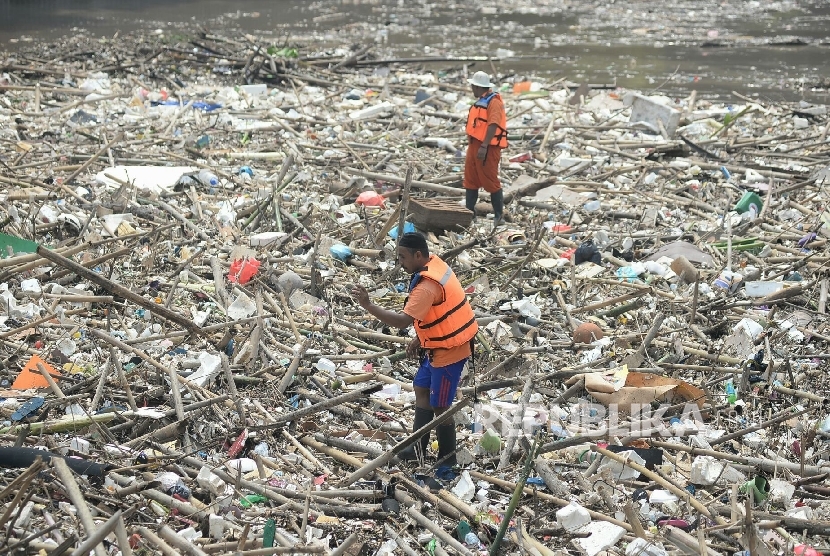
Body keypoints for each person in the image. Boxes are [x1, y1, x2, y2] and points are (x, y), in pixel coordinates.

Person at [351, 233, 478, 466]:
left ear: (418, 255)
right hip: (437, 344)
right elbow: (438, 314)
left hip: (450, 350)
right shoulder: (434, 265)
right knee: (421, 387)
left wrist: (368, 305)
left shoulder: (427, 286)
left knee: (440, 405)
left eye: (403, 257)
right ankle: (415, 449)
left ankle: (447, 464)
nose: (400, 263)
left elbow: (401, 321)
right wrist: (421, 339)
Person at [464, 70, 508, 228]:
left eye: (472, 86)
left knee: (490, 180)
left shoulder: (494, 102)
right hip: (474, 145)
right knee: (470, 179)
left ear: (477, 87)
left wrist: (484, 146)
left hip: (487, 147)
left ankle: (498, 215)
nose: (471, 89)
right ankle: (470, 213)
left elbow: (493, 124)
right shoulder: (482, 100)